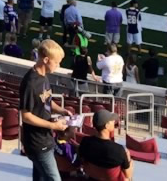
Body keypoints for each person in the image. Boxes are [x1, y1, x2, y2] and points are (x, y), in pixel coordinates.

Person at [20, 40, 73, 181]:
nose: (59, 65)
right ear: (46, 59)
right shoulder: (31, 83)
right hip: (37, 142)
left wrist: (61, 110)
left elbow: (46, 99)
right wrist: (53, 126)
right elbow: (25, 116)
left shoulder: (43, 77)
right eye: (57, 62)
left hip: (45, 138)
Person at [77, 109, 133, 178]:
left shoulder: (85, 142)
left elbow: (81, 161)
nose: (113, 121)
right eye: (111, 120)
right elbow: (128, 175)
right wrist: (129, 159)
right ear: (106, 125)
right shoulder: (119, 150)